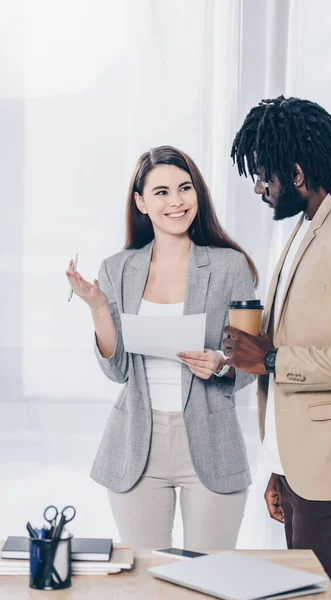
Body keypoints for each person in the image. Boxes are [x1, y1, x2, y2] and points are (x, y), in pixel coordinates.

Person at [223, 96, 331, 600]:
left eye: (264, 176)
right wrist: (279, 465)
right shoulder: (308, 227)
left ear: (296, 173)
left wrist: (272, 359)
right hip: (304, 469)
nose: (259, 188)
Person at [66, 145, 258, 549]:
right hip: (137, 444)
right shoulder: (117, 268)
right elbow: (117, 370)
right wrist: (99, 307)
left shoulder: (229, 266)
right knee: (148, 583)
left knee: (212, 578)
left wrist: (221, 364)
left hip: (211, 442)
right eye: (162, 192)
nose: (176, 201)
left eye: (185, 188)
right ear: (140, 202)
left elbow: (250, 360)